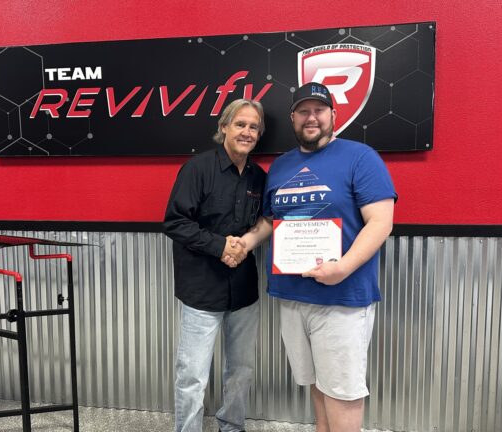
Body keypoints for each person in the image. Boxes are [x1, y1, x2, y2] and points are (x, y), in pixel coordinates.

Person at [230, 82, 396, 432]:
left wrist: (343, 268)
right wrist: (246, 243)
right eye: (304, 111)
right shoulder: (281, 167)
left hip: (342, 298)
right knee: (318, 385)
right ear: (292, 118)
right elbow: (271, 222)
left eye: (319, 110)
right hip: (292, 297)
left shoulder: (360, 157)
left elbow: (381, 222)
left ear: (333, 116)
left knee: (344, 390)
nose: (312, 118)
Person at [163, 98, 267, 432]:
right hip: (202, 291)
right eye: (240, 124)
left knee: (241, 370)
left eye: (253, 127)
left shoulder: (258, 177)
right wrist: (220, 246)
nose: (247, 132)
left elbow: (263, 222)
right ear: (223, 127)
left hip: (243, 290)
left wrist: (242, 246)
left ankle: (232, 427)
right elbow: (176, 222)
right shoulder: (198, 168)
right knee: (192, 374)